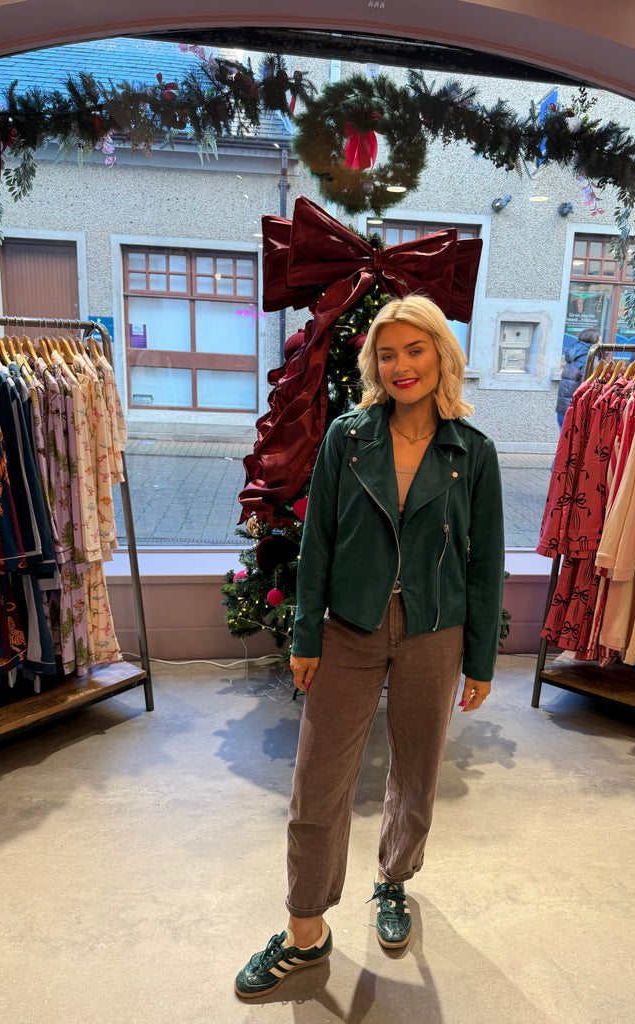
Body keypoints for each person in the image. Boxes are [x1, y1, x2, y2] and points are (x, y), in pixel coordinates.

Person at [234, 294, 505, 999]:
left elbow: (484, 561)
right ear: (374, 365)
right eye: (387, 354)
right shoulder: (347, 438)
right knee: (317, 780)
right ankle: (304, 928)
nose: (401, 365)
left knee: (416, 774)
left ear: (441, 355)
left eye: (415, 350)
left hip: (434, 632)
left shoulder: (472, 452)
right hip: (348, 628)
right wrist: (304, 634)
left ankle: (393, 880)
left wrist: (479, 659)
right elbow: (318, 541)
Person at [556, 328, 600, 428]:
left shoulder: (573, 353)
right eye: (599, 341)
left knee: (562, 435)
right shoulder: (590, 357)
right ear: (594, 341)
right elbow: (588, 384)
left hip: (564, 407)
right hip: (576, 409)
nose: (601, 344)